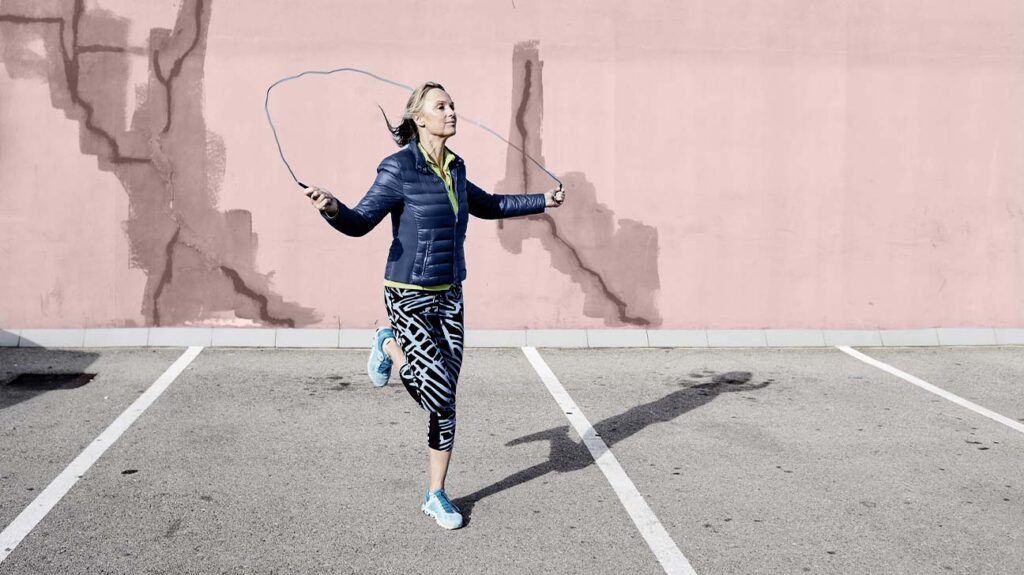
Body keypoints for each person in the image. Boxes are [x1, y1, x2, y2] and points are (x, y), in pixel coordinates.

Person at [304, 81, 566, 530]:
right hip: (407, 293)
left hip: (450, 294)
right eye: (440, 107)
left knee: (446, 402)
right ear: (418, 118)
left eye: (452, 106)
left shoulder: (456, 167)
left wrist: (542, 200)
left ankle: (435, 494)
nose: (451, 112)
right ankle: (388, 343)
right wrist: (332, 208)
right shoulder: (397, 168)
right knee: (438, 391)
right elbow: (361, 221)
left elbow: (486, 204)